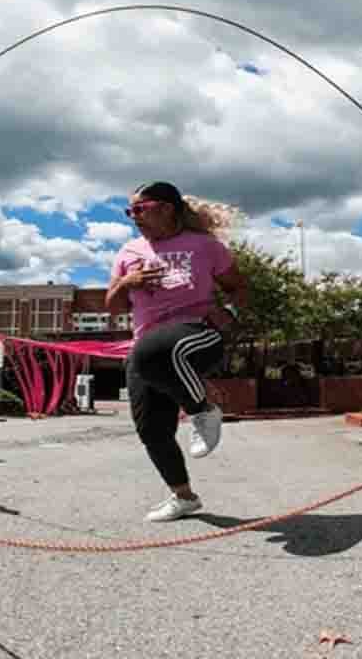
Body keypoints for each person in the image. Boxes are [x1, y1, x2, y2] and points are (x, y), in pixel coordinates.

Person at [107, 181, 249, 522]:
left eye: (140, 209)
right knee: (151, 430)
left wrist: (231, 314)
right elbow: (112, 306)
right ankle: (183, 497)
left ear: (166, 208)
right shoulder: (129, 252)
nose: (133, 217)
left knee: (152, 352)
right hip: (147, 349)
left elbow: (238, 288)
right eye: (129, 212)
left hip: (198, 334)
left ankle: (204, 410)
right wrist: (129, 283)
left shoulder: (205, 246)